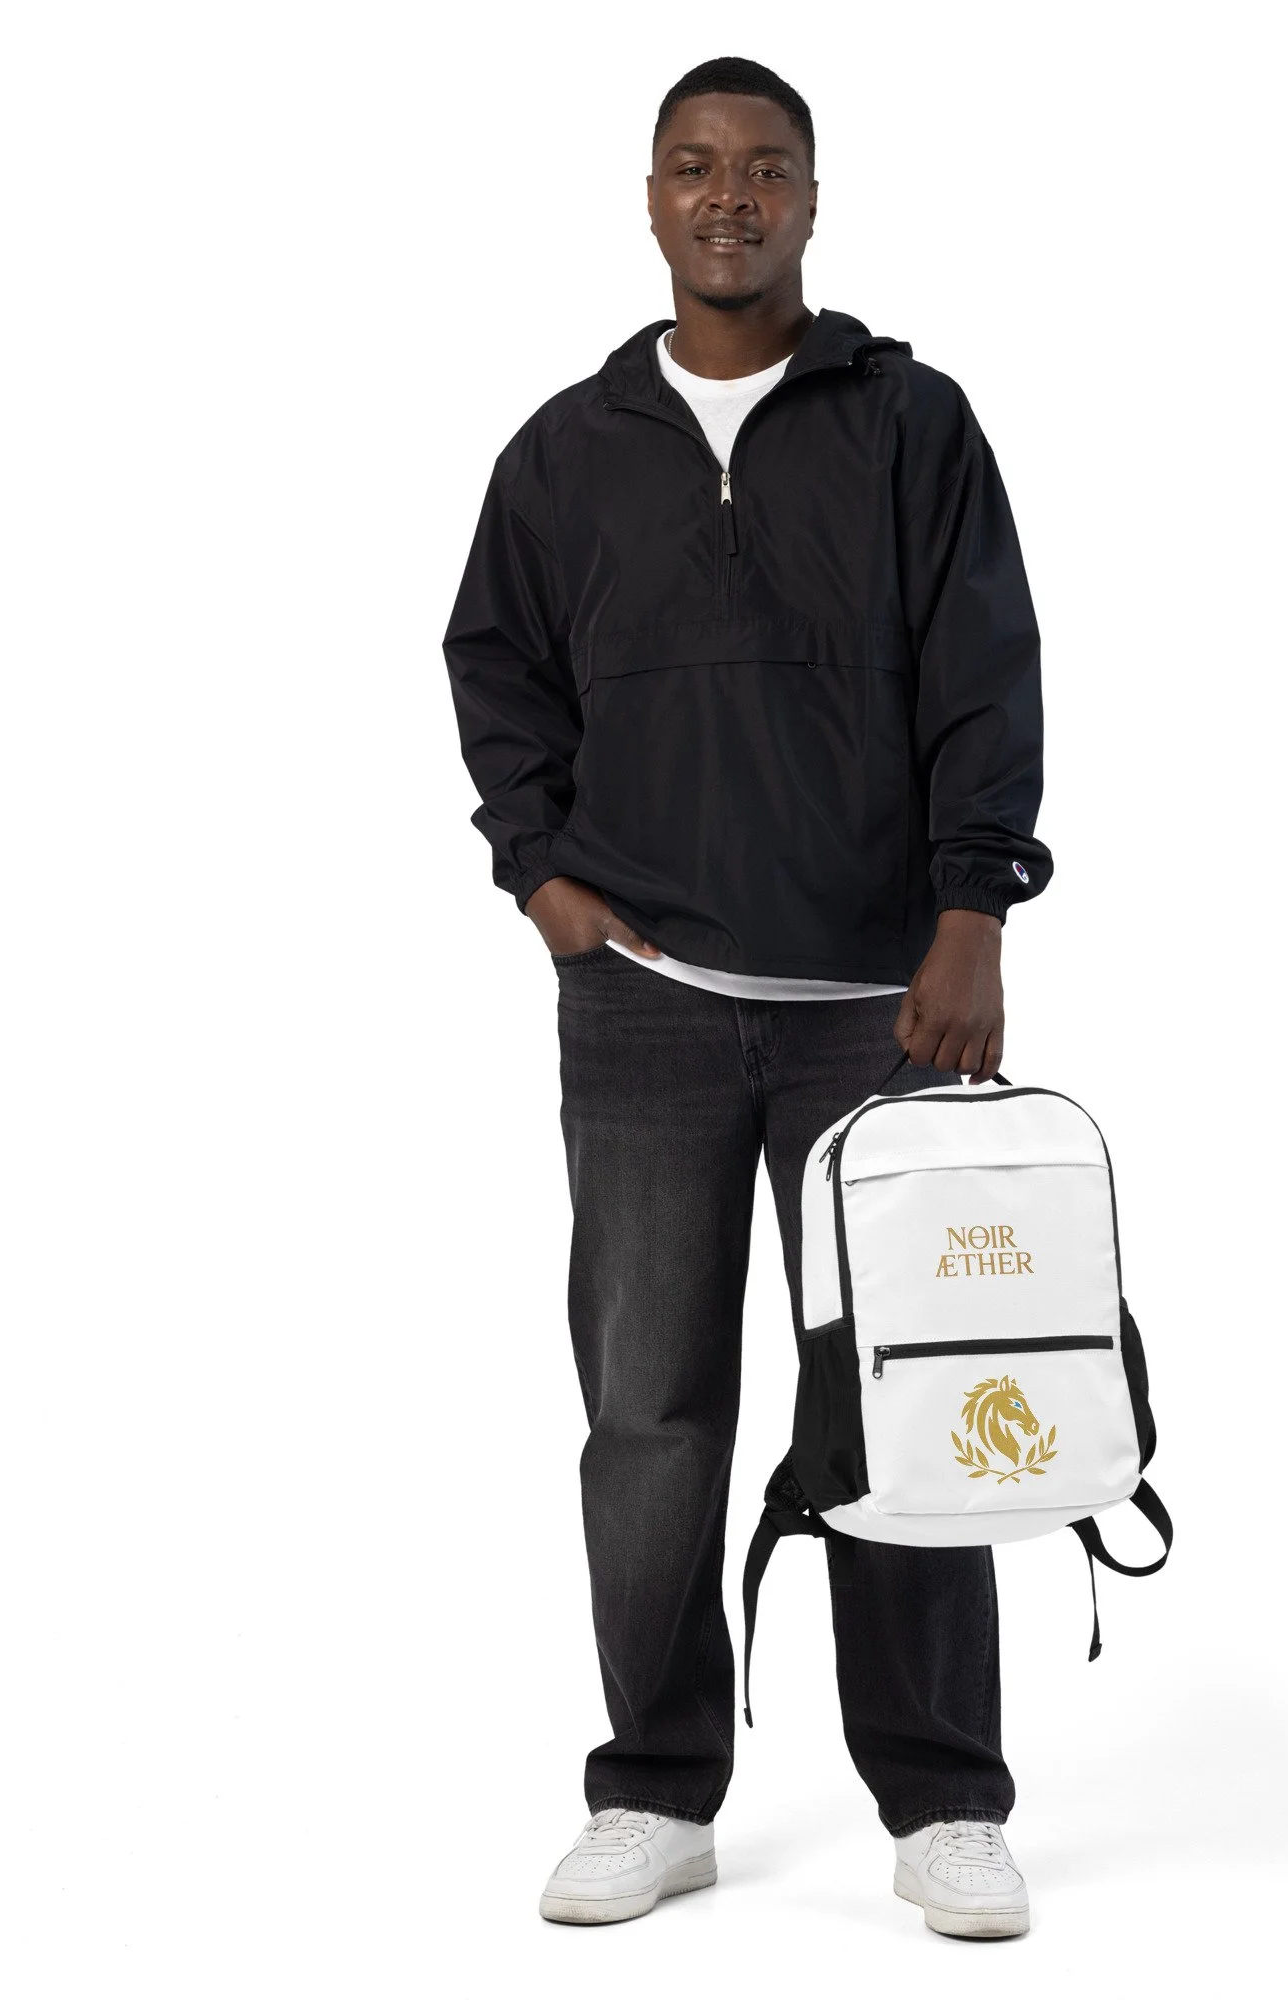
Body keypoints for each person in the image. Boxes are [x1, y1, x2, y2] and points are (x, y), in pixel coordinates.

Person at [444, 56, 1052, 1938]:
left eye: (765, 167)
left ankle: (942, 1799)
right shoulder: (569, 450)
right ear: (651, 199)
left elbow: (986, 668)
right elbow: (494, 666)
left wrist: (973, 911)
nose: (731, 195)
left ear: (809, 199)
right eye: (697, 167)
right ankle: (654, 1787)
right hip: (642, 1003)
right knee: (649, 1410)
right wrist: (540, 876)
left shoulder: (912, 423)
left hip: (881, 1005)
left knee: (904, 1394)